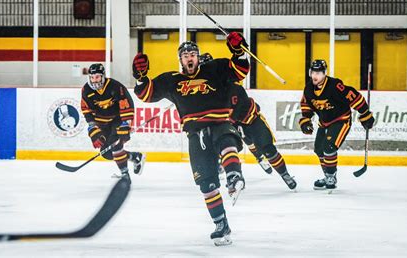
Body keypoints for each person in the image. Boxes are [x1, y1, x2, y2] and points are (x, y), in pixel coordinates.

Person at [132, 32, 249, 246]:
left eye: (193, 54)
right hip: (195, 134)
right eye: (185, 55)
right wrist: (140, 77)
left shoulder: (215, 69)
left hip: (219, 122)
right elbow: (146, 94)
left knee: (226, 141)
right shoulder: (171, 80)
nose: (189, 58)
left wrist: (238, 50)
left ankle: (234, 175)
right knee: (206, 183)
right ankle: (221, 224)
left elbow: (241, 70)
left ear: (198, 57)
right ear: (181, 60)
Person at [200, 52, 296, 190]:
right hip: (235, 123)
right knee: (229, 146)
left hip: (251, 120)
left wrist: (228, 119)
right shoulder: (206, 91)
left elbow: (238, 105)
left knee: (267, 149)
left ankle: (284, 174)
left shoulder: (231, 85)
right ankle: (237, 175)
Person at [299, 60, 375, 190]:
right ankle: (328, 175)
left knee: (329, 147)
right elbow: (306, 104)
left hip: (341, 120)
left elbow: (354, 96)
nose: (315, 76)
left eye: (318, 73)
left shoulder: (335, 85)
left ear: (324, 74)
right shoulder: (309, 88)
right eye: (313, 72)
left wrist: (365, 114)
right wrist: (306, 120)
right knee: (318, 149)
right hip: (324, 122)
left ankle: (330, 176)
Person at [81, 63, 146, 182]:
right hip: (102, 123)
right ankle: (135, 157)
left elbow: (126, 104)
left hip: (118, 119)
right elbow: (87, 110)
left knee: (115, 145)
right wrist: (92, 128)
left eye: (97, 77)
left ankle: (125, 174)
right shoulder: (86, 90)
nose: (94, 80)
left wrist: (126, 124)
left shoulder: (115, 86)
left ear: (103, 76)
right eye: (92, 77)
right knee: (106, 153)